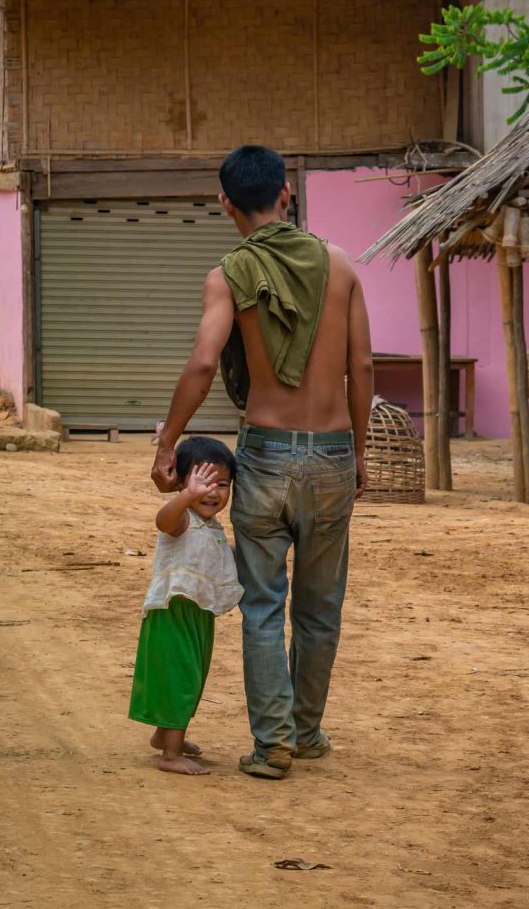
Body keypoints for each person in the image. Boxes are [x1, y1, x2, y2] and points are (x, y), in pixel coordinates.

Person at [151, 144, 374, 781]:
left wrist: (169, 441)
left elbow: (201, 364)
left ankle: (271, 743)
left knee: (262, 605)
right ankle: (306, 732)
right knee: (319, 607)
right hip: (332, 453)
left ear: (224, 203)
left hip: (267, 454)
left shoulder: (227, 276)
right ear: (286, 194)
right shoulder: (339, 266)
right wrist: (356, 451)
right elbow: (361, 367)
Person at [130, 436, 243, 775]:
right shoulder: (181, 520)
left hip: (198, 616)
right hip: (172, 613)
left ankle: (166, 736)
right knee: (180, 678)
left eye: (222, 484)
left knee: (192, 679)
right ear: (181, 482)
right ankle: (170, 755)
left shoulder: (213, 527)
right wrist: (185, 497)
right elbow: (162, 520)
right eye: (202, 482)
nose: (212, 492)